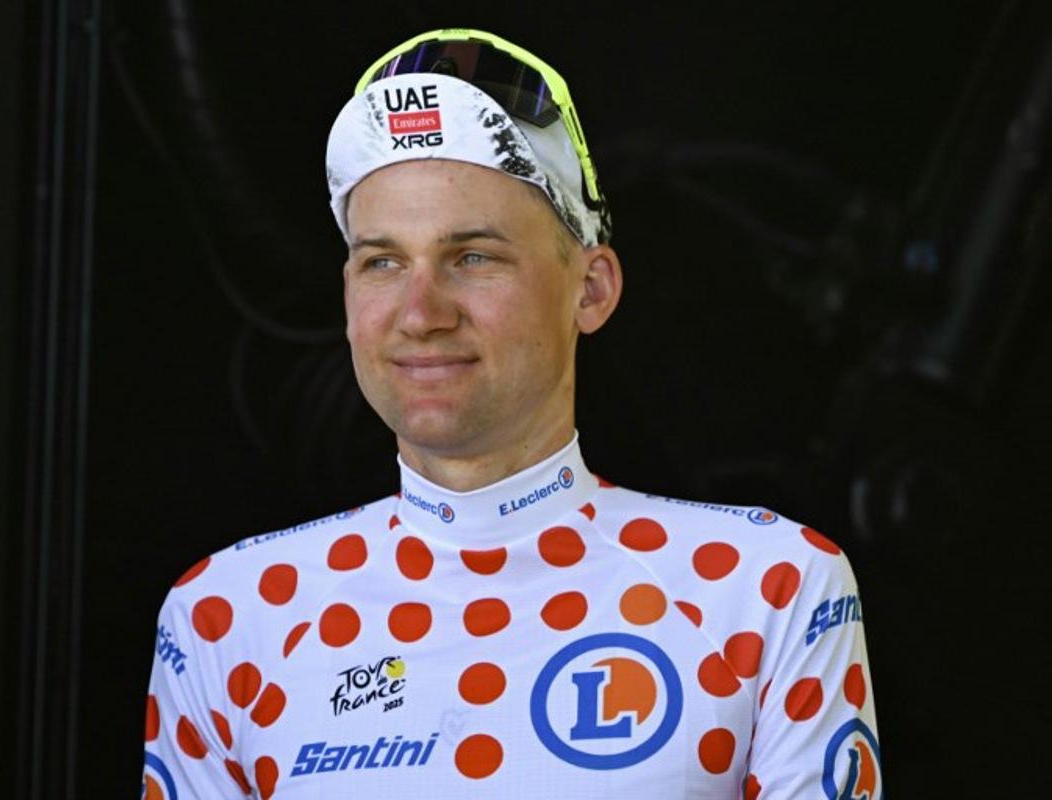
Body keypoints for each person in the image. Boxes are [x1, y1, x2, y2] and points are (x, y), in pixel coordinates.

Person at [142, 28, 880, 800]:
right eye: (383, 261)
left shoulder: (769, 588)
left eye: (473, 256)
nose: (420, 312)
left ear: (590, 290)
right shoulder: (227, 615)